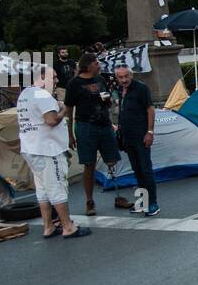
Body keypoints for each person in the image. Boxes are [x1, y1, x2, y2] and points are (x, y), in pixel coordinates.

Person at [18, 67, 87, 239]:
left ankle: (48, 226)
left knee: (43, 189)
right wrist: (63, 109)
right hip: (48, 150)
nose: (56, 81)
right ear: (42, 78)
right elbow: (51, 120)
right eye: (53, 78)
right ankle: (68, 226)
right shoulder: (42, 95)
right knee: (57, 187)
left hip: (31, 148)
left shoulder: (25, 94)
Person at [64, 52, 119, 217]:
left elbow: (108, 101)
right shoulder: (74, 83)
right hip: (85, 126)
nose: (99, 65)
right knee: (89, 164)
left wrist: (108, 101)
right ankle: (89, 201)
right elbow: (69, 108)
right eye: (96, 63)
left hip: (104, 124)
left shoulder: (101, 80)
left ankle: (117, 193)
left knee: (112, 159)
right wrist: (70, 134)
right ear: (88, 66)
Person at [113, 64, 159, 218]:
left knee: (146, 169)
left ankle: (152, 203)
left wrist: (150, 132)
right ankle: (142, 203)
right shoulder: (119, 90)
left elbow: (150, 109)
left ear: (131, 75)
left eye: (126, 76)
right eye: (120, 77)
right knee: (137, 170)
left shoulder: (141, 88)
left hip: (141, 135)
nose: (124, 80)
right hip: (127, 136)